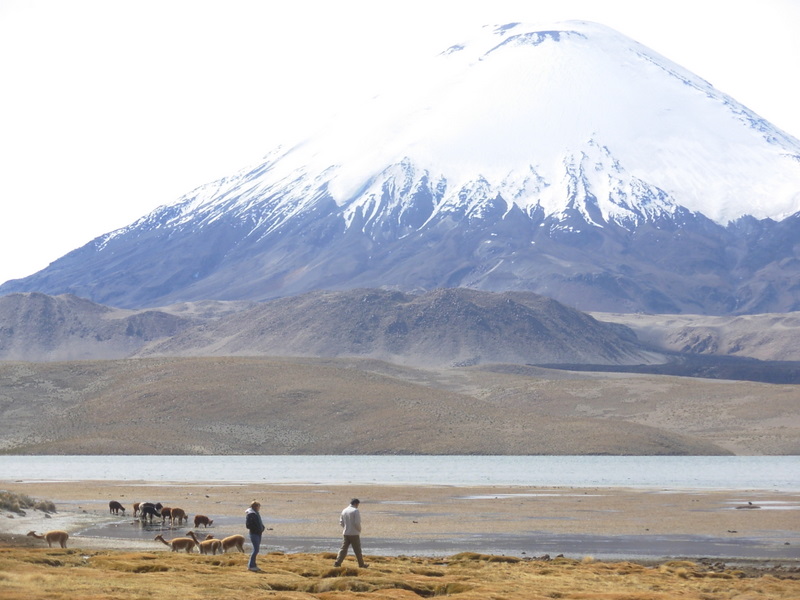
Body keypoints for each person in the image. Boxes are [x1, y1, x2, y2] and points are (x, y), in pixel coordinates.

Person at [334, 498, 368, 568]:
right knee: (357, 550)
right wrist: (359, 530)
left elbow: (341, 522)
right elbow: (357, 523)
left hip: (346, 533)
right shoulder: (355, 511)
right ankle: (361, 564)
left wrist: (346, 527)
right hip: (354, 533)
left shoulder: (344, 510)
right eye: (358, 504)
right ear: (356, 503)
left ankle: (337, 562)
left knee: (343, 549)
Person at [245, 500, 266, 572]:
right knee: (256, 550)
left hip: (258, 533)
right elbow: (248, 525)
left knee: (256, 550)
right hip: (254, 534)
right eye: (258, 506)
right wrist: (257, 529)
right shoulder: (251, 514)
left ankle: (253, 564)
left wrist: (262, 528)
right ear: (255, 506)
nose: (259, 508)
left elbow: (259, 522)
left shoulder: (256, 513)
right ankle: (251, 566)